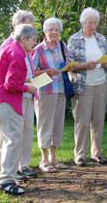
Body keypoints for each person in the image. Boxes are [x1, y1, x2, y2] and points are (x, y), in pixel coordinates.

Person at [0, 24, 37, 195]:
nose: (35, 43)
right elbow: (11, 84)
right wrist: (28, 88)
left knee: (3, 140)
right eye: (33, 39)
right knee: (13, 139)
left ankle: (0, 176)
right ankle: (7, 180)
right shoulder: (18, 53)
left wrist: (25, 81)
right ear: (24, 38)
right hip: (5, 102)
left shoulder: (9, 49)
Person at [0, 10, 39, 180]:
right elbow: (6, 76)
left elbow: (26, 67)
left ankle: (23, 165)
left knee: (27, 130)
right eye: (30, 23)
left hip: (27, 90)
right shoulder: (9, 44)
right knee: (13, 134)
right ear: (19, 23)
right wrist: (25, 85)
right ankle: (10, 172)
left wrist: (33, 79)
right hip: (14, 94)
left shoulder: (27, 44)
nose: (33, 28)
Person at [68, 8, 107, 166]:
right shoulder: (74, 39)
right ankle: (79, 155)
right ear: (82, 22)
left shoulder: (101, 39)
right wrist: (85, 65)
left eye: (95, 22)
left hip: (101, 83)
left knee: (99, 120)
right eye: (90, 22)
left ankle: (96, 153)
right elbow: (69, 65)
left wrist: (106, 63)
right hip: (82, 85)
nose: (93, 25)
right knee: (82, 121)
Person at [32, 18, 70, 172]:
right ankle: (44, 160)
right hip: (45, 92)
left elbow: (68, 63)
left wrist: (70, 66)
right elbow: (31, 73)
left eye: (57, 30)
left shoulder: (62, 46)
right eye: (51, 30)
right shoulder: (39, 49)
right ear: (44, 32)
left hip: (61, 90)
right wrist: (47, 71)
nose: (54, 32)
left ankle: (54, 158)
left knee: (57, 125)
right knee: (45, 125)